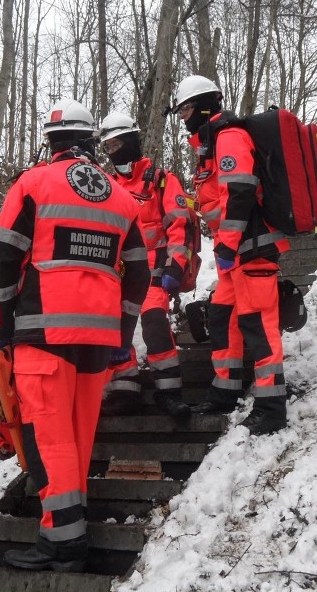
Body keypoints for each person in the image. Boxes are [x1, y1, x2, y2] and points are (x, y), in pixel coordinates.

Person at [0, 98, 150, 572]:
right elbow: (138, 271)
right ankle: (67, 533)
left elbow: (0, 254)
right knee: (76, 437)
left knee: (46, 439)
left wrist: (1, 324)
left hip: (43, 333)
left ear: (51, 141)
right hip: (97, 343)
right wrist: (124, 326)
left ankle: (62, 544)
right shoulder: (121, 197)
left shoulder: (34, 183)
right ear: (90, 142)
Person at [171, 75, 289, 436]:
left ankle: (272, 406)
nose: (183, 117)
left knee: (257, 322)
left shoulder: (230, 137)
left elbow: (239, 191)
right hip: (235, 253)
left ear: (206, 106)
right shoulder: (209, 146)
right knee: (222, 317)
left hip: (250, 248)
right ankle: (226, 389)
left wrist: (226, 245)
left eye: (187, 109)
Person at [96, 112, 193, 421]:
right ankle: (126, 388)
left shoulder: (162, 179)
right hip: (119, 274)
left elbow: (181, 224)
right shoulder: (107, 185)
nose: (113, 153)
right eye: (107, 148)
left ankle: (169, 392)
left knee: (153, 321)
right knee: (112, 329)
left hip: (155, 271)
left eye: (116, 145)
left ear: (132, 142)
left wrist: (176, 267)